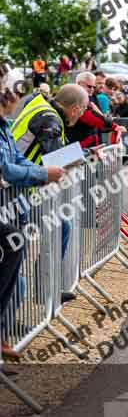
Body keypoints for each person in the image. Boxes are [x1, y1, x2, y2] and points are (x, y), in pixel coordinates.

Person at [0, 85, 65, 360]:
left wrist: (38, 171)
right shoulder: (46, 115)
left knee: (16, 245)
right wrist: (42, 174)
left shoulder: (5, 124)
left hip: (14, 198)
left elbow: (16, 158)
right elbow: (6, 168)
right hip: (13, 199)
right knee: (14, 243)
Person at [11, 85, 88, 304]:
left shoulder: (42, 106)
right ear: (75, 108)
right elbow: (56, 158)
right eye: (82, 111)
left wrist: (86, 153)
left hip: (22, 187)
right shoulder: (50, 119)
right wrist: (87, 155)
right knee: (16, 251)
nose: (81, 116)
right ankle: (19, 307)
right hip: (17, 189)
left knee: (60, 226)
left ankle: (45, 288)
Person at [70, 71, 125, 148]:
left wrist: (111, 126)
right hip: (80, 145)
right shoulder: (75, 98)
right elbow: (88, 116)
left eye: (94, 87)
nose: (92, 89)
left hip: (92, 143)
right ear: (79, 84)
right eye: (89, 86)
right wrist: (113, 126)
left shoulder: (93, 97)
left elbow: (99, 116)